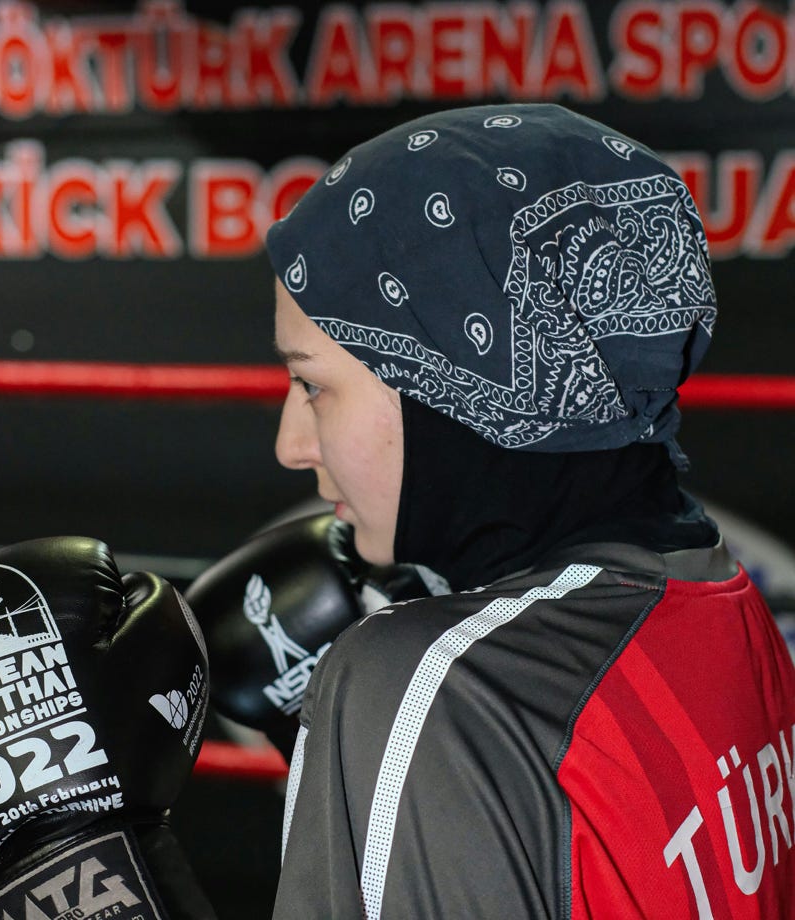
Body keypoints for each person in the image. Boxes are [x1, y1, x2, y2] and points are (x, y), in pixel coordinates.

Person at [259, 104, 795, 918]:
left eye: (311, 384)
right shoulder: (727, 599)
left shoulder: (429, 682)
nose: (291, 443)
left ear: (446, 381)